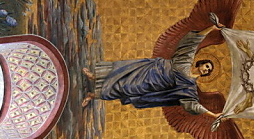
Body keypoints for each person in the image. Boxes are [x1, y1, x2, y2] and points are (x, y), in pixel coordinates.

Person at [81, 29, 220, 116]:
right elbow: (191, 43)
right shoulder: (186, 60)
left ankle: (93, 95)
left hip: (153, 84)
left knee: (125, 88)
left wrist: (212, 115)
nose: (206, 69)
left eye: (208, 70)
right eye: (206, 66)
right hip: (149, 68)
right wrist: (211, 28)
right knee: (122, 70)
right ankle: (94, 76)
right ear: (201, 63)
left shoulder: (190, 87)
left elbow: (192, 105)